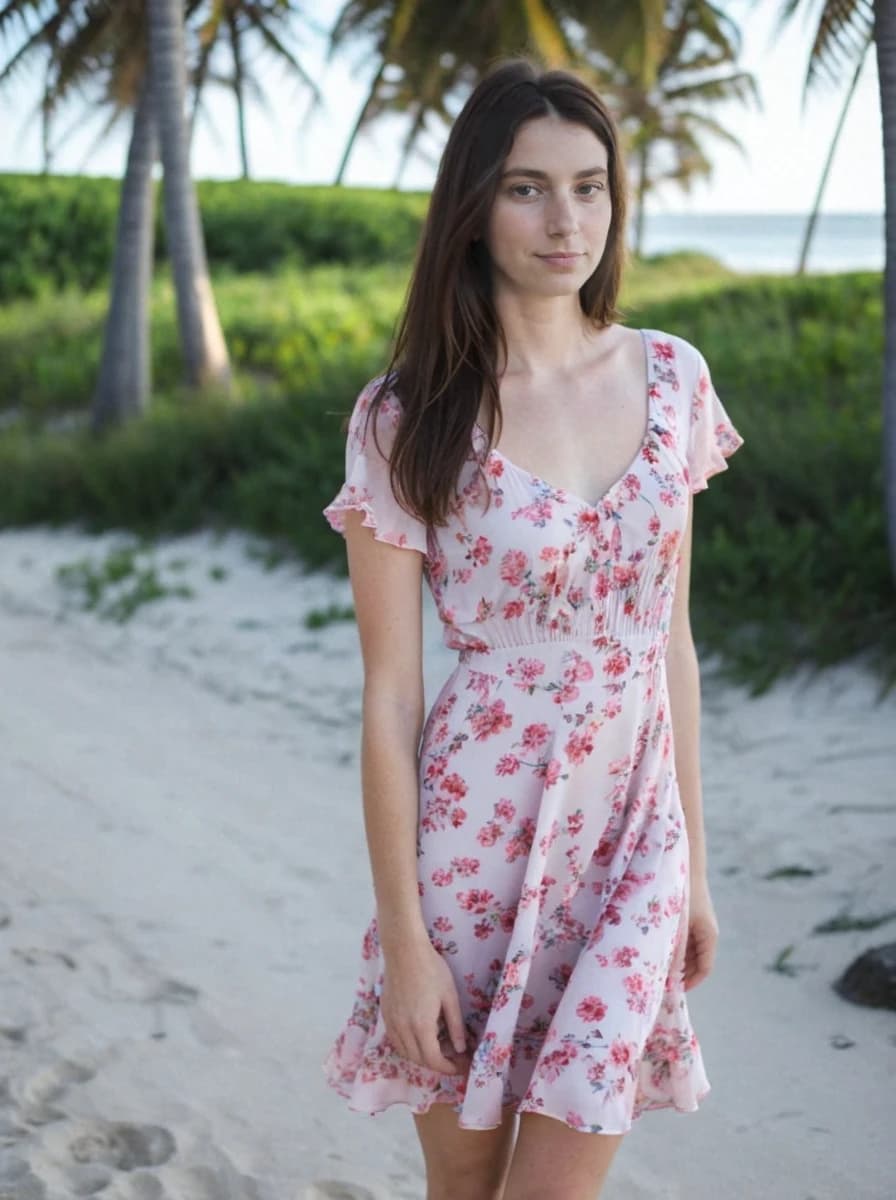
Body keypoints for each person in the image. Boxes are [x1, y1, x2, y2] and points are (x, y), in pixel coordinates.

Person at [321, 55, 744, 1200]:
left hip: (631, 848)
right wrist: (404, 942)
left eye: (590, 186)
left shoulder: (672, 379)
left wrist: (692, 869)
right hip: (471, 851)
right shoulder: (406, 415)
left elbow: (671, 642)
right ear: (472, 203)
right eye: (526, 188)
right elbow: (389, 699)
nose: (567, 219)